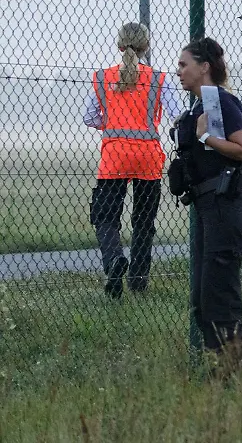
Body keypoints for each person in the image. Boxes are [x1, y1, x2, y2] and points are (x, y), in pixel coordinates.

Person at [170, 36, 242, 375]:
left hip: (224, 203)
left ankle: (229, 370)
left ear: (204, 67)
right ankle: (220, 367)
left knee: (218, 293)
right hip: (207, 206)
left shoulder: (219, 102)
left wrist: (206, 138)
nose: (178, 71)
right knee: (203, 296)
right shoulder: (198, 105)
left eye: (183, 64)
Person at [85, 22, 182, 298]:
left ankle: (114, 260)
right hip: (148, 158)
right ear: (145, 47)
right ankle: (138, 282)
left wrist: (112, 123)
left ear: (119, 46)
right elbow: (177, 115)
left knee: (105, 217)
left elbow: (89, 117)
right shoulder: (159, 79)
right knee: (143, 221)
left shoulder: (104, 77)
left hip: (114, 157)